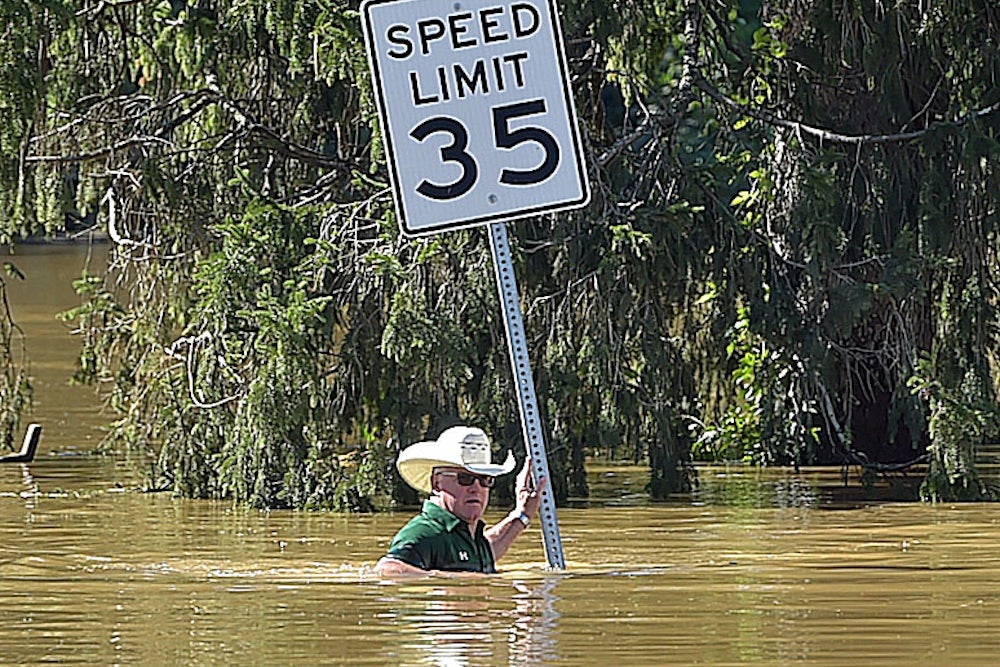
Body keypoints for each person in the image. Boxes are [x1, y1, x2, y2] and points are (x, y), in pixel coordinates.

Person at [374, 425, 546, 575]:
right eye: (465, 478)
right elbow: (388, 569)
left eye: (485, 479)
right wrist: (457, 581)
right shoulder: (424, 532)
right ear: (436, 482)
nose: (476, 488)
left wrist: (522, 515)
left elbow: (484, 553)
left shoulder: (470, 536)